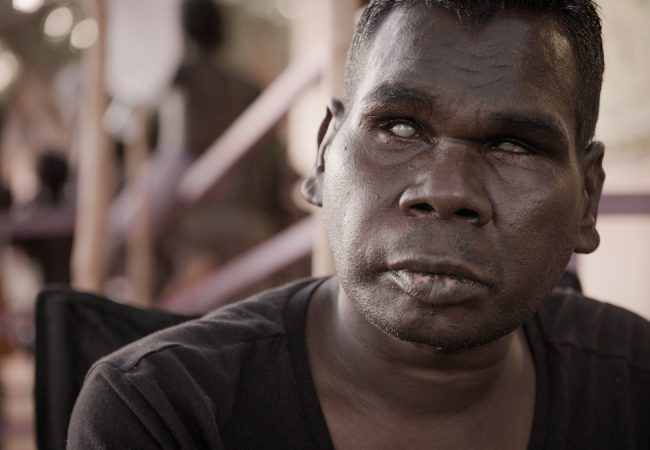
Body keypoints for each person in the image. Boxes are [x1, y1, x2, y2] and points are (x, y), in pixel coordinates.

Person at [68, 1, 650, 448]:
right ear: (324, 156)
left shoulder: (635, 385)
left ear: (588, 198)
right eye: (399, 128)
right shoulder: (160, 413)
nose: (446, 193)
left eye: (514, 145)